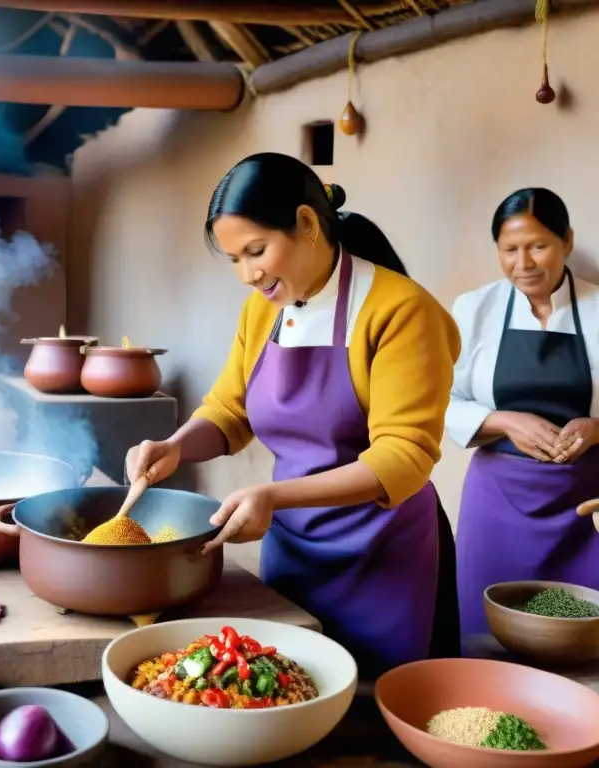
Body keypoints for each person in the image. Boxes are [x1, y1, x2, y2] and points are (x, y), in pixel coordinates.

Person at [125, 153, 461, 674]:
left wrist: (272, 496)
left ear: (306, 224)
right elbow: (229, 411)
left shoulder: (402, 312)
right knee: (283, 686)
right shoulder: (264, 309)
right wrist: (176, 446)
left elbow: (404, 456)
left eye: (255, 251)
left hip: (382, 557)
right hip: (291, 547)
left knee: (365, 724)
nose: (246, 275)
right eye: (234, 259)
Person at [446, 188, 599, 638]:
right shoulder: (474, 310)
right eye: (509, 250)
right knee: (486, 635)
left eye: (538, 246)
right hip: (498, 503)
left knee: (581, 636)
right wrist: (504, 420)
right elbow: (441, 400)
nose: (524, 263)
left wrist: (596, 429)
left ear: (567, 241)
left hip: (582, 503)